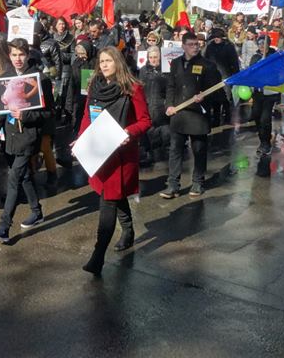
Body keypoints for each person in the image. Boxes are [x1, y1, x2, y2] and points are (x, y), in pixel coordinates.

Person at [78, 47, 151, 276]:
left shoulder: (133, 88)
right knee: (112, 196)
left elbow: (145, 121)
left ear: (117, 62)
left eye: (108, 61)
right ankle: (128, 231)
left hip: (121, 155)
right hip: (99, 153)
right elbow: (87, 117)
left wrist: (127, 133)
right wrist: (80, 141)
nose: (104, 65)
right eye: (101, 61)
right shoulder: (94, 87)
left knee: (108, 201)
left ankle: (97, 257)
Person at [0, 38, 52, 243]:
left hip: (29, 135)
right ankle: (36, 211)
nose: (18, 59)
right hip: (11, 135)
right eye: (14, 55)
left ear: (28, 54)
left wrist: (26, 116)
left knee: (14, 177)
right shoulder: (4, 76)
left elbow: (49, 113)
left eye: (21, 54)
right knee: (23, 177)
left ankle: (4, 226)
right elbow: (0, 109)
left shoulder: (40, 79)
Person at [161, 32, 222, 198]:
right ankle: (173, 184)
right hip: (179, 113)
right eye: (191, 44)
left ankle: (198, 182)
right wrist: (169, 105)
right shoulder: (175, 63)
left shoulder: (207, 65)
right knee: (175, 150)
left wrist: (205, 95)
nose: (195, 47)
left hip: (197, 115)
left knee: (199, 150)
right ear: (183, 46)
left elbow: (216, 90)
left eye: (197, 44)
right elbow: (171, 87)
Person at [248, 36, 279, 176]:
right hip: (257, 92)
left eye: (264, 43)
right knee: (256, 115)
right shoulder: (255, 57)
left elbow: (278, 73)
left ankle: (266, 143)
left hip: (270, 93)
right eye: (259, 43)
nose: (261, 46)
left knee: (265, 118)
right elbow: (250, 72)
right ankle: (262, 139)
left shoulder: (274, 56)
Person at [138, 46, 168, 167]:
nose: (153, 60)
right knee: (147, 131)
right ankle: (148, 154)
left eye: (155, 57)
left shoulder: (166, 70)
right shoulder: (144, 70)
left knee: (165, 132)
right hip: (147, 103)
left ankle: (164, 153)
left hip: (161, 104)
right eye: (151, 57)